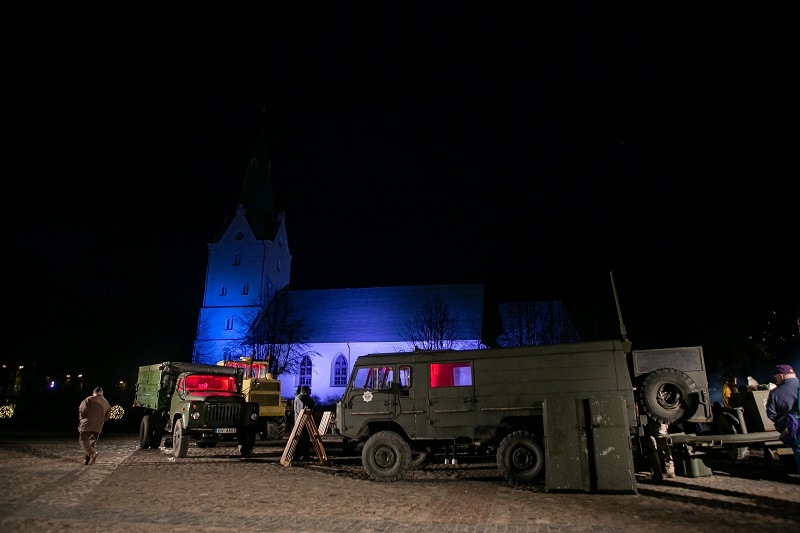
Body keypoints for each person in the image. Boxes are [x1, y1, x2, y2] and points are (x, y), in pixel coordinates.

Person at [765, 364, 800, 475]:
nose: (776, 379)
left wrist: (784, 425)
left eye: (776, 377)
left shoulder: (775, 393)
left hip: (795, 429)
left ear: (781, 375)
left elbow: (771, 414)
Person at [78, 386, 111, 465]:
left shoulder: (89, 399)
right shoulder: (107, 403)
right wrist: (101, 420)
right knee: (92, 443)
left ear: (94, 393)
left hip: (87, 424)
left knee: (83, 439)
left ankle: (92, 453)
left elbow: (82, 410)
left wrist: (82, 419)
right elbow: (107, 416)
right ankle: (88, 460)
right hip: (98, 426)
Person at [293, 385, 316, 461]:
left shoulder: (302, 398)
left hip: (303, 421)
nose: (310, 391)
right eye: (309, 390)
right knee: (301, 440)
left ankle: (305, 455)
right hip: (301, 422)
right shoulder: (301, 398)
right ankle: (298, 456)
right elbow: (304, 409)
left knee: (305, 439)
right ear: (305, 391)